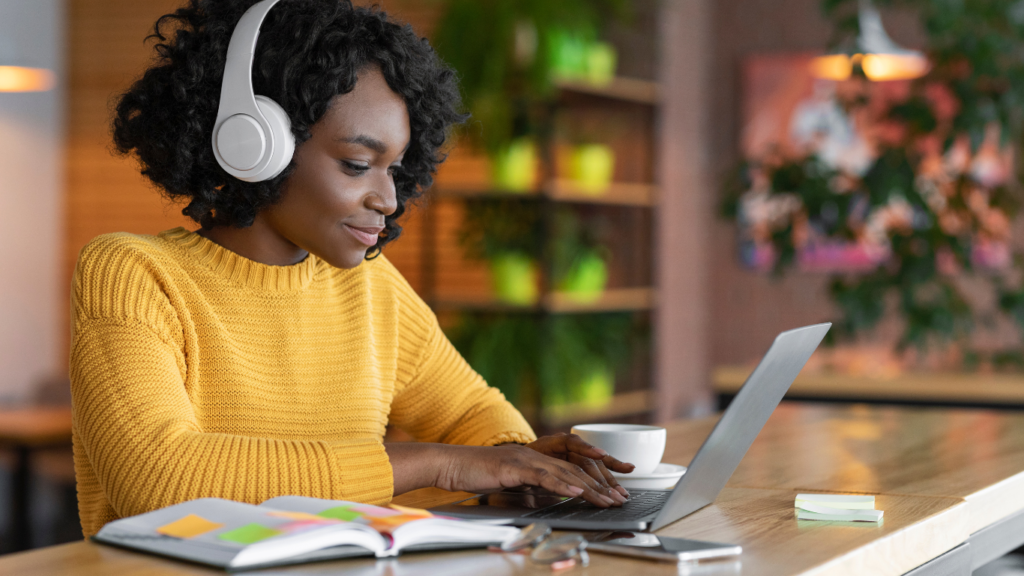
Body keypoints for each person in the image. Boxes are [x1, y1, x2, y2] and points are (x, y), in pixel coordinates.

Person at [69, 0, 633, 538]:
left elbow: (472, 412)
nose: (388, 199)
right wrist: (443, 465)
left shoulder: (369, 284)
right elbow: (159, 478)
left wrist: (520, 466)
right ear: (255, 143)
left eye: (395, 168)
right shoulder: (132, 274)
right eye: (358, 164)